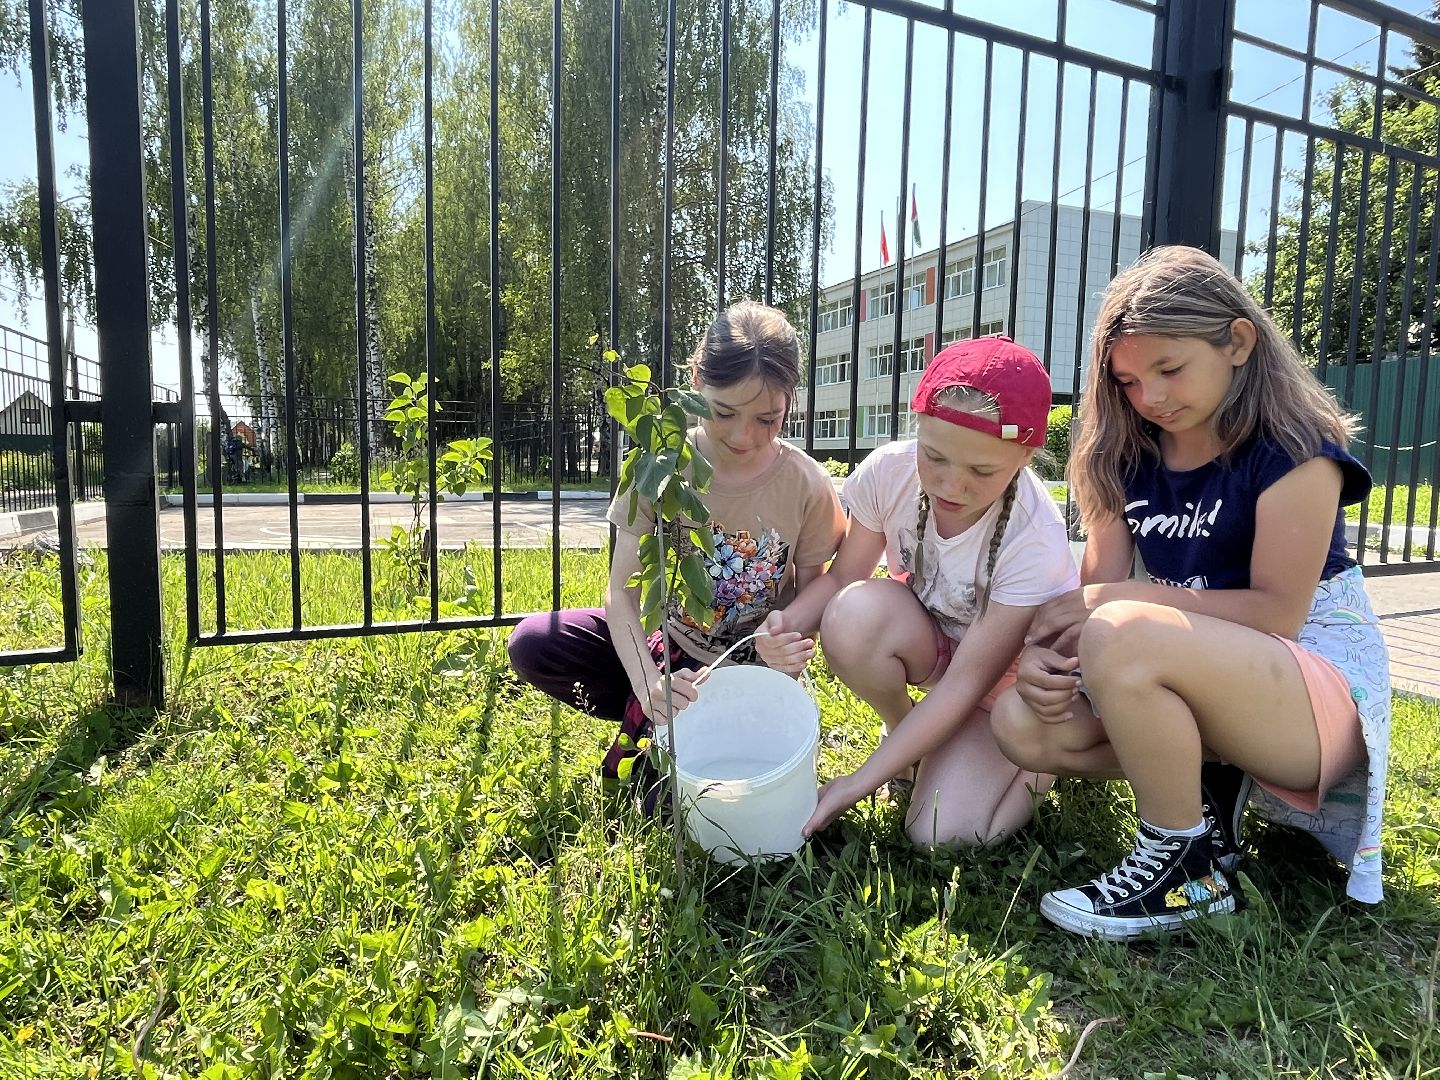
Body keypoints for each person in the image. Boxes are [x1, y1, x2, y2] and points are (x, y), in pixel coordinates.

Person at [991, 246, 1391, 941]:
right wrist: (1053, 666)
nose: (1151, 397)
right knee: (1021, 724)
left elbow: (1276, 614)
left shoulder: (1295, 448)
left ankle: (1187, 867)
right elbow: (1099, 587)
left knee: (1121, 624)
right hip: (1206, 670)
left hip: (1311, 687)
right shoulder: (1127, 452)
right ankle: (1210, 798)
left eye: (1169, 369)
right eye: (1128, 381)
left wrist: (1107, 609)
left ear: (1237, 341)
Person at [507, 300, 847, 805]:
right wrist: (650, 685)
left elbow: (816, 583)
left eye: (767, 419)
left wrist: (786, 635)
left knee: (682, 800)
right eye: (724, 412)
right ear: (694, 381)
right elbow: (619, 593)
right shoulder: (659, 464)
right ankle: (650, 712)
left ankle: (675, 732)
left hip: (749, 665)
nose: (742, 436)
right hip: (662, 647)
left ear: (790, 402)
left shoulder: (806, 484)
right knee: (534, 642)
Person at [756, 336, 1079, 847]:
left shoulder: (1033, 534)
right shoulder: (890, 472)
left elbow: (966, 686)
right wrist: (786, 625)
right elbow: (843, 580)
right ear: (918, 430)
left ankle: (1039, 764)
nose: (952, 485)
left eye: (982, 470)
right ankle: (906, 732)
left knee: (937, 832)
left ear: (1025, 456)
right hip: (938, 649)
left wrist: (857, 784)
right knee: (851, 615)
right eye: (935, 457)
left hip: (1004, 690)